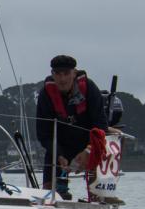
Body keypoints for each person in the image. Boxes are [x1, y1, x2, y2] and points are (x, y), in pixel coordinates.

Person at [35, 54, 108, 199]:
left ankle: (98, 197)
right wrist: (59, 154)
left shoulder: (89, 88)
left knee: (98, 194)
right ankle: (54, 198)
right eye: (58, 74)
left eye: (66, 73)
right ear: (52, 74)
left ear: (74, 73)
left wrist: (88, 150)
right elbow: (43, 134)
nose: (62, 79)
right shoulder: (45, 95)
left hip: (88, 143)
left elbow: (101, 125)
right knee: (49, 190)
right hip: (59, 146)